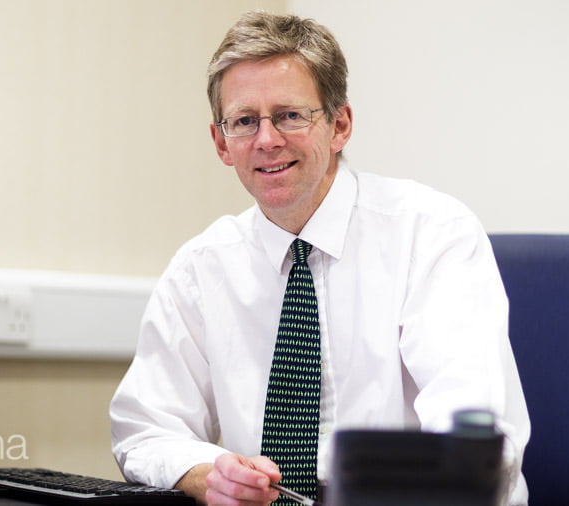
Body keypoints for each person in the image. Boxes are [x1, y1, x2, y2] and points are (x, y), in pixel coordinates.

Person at [110, 10, 530, 506]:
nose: (267, 139)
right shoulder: (202, 267)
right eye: (245, 121)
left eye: (290, 115)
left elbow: (473, 439)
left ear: (340, 125)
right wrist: (207, 475)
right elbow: (144, 428)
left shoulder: (431, 234)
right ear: (222, 143)